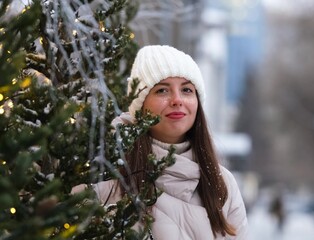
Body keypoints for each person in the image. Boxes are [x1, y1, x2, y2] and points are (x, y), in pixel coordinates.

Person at [75, 45, 248, 239]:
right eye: (162, 90)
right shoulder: (106, 174)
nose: (177, 100)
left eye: (187, 90)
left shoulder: (222, 183)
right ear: (140, 105)